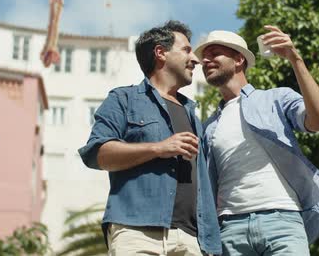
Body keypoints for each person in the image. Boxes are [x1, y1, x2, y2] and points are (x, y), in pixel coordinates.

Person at [78, 20, 221, 256]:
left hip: (191, 240)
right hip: (137, 233)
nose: (195, 59)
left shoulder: (193, 117)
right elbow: (98, 154)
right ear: (160, 53)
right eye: (186, 50)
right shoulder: (124, 99)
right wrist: (159, 148)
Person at [194, 25, 319, 256]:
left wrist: (295, 58)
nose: (205, 61)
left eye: (214, 53)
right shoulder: (208, 127)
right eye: (203, 57)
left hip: (282, 221)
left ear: (239, 59)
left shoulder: (276, 99)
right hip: (230, 230)